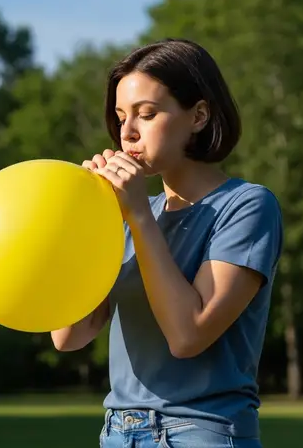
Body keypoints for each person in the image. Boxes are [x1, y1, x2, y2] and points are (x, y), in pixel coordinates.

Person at [50, 39, 283, 448]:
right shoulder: (129, 213)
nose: (128, 133)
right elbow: (69, 335)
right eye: (121, 117)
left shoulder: (247, 206)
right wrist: (89, 220)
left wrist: (139, 216)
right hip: (117, 432)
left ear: (198, 116)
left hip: (202, 432)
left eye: (147, 114)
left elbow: (188, 335)